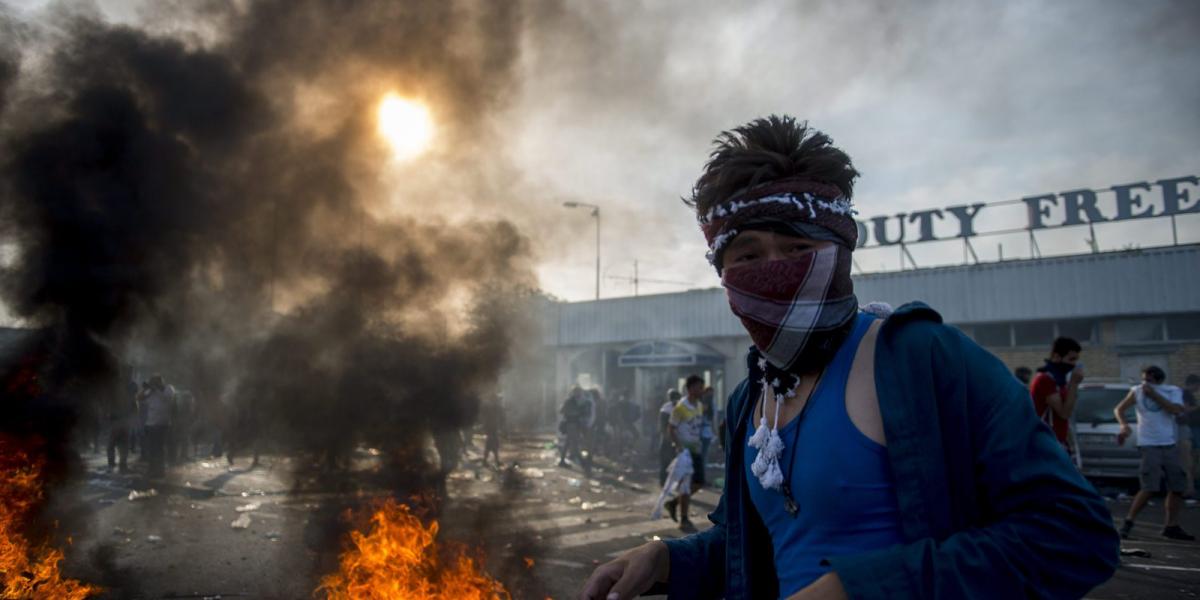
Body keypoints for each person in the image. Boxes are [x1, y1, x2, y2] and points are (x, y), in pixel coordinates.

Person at [580, 116, 1117, 600]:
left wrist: (863, 589)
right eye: (747, 255)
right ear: (723, 273)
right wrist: (668, 560)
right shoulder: (749, 399)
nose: (775, 269)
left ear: (841, 250)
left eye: (798, 250)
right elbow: (767, 547)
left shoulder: (920, 359)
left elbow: (1075, 534)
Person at [1114, 366, 1194, 541]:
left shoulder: (1172, 391)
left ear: (1158, 380)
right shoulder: (1136, 391)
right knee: (1150, 486)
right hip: (1149, 444)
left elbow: (1175, 410)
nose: (1145, 384)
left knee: (1178, 485)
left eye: (1148, 380)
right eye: (1143, 379)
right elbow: (1119, 409)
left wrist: (1154, 395)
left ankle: (1171, 526)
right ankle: (1128, 522)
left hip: (1169, 443)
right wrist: (1123, 425)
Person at [663, 375, 707, 531]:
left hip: (696, 449)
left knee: (700, 482)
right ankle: (684, 519)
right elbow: (671, 428)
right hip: (685, 452)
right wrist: (679, 446)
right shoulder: (680, 407)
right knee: (686, 485)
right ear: (690, 388)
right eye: (699, 387)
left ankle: (674, 503)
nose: (702, 390)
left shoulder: (699, 406)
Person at [1029, 337, 1084, 455]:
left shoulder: (1059, 381)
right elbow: (1064, 413)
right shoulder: (1045, 380)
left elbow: (1063, 420)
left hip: (1056, 443)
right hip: (1045, 444)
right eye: (1071, 359)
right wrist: (1074, 383)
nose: (1074, 364)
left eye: (1076, 360)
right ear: (1056, 357)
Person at [138, 374, 175, 479]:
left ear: (160, 382)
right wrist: (145, 388)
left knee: (159, 449)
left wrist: (156, 388)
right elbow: (139, 398)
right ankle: (152, 470)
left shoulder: (168, 388)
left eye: (154, 381)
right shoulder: (151, 391)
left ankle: (160, 471)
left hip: (162, 424)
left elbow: (167, 397)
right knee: (151, 449)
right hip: (150, 424)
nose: (152, 383)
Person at [106, 375, 139, 473]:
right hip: (122, 420)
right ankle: (121, 463)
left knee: (114, 443)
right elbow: (135, 407)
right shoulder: (130, 389)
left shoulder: (117, 390)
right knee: (122, 444)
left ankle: (115, 463)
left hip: (119, 420)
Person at [559, 385, 592, 473]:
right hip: (571, 424)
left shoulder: (578, 401)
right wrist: (573, 413)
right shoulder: (570, 401)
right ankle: (582, 462)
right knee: (574, 443)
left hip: (575, 424)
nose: (579, 393)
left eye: (579, 392)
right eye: (577, 392)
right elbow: (562, 411)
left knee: (568, 443)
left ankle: (562, 460)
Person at [657, 390, 680, 486]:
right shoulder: (666, 408)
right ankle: (665, 481)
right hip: (668, 438)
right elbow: (663, 426)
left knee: (673, 461)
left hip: (674, 438)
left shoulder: (670, 408)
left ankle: (670, 481)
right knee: (666, 461)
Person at [1184, 374, 1200, 499]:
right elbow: (1186, 409)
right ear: (1193, 384)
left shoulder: (1189, 394)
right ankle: (1191, 486)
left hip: (1194, 428)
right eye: (1197, 385)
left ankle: (1193, 484)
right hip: (1192, 428)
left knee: (1194, 457)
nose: (1198, 388)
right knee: (1192, 457)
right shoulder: (1185, 393)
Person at [480, 393, 505, 468]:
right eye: (497, 399)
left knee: (493, 445)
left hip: (491, 428)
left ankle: (493, 460)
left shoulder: (491, 406)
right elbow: (496, 417)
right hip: (491, 428)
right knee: (491, 445)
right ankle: (486, 461)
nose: (498, 400)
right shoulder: (492, 406)